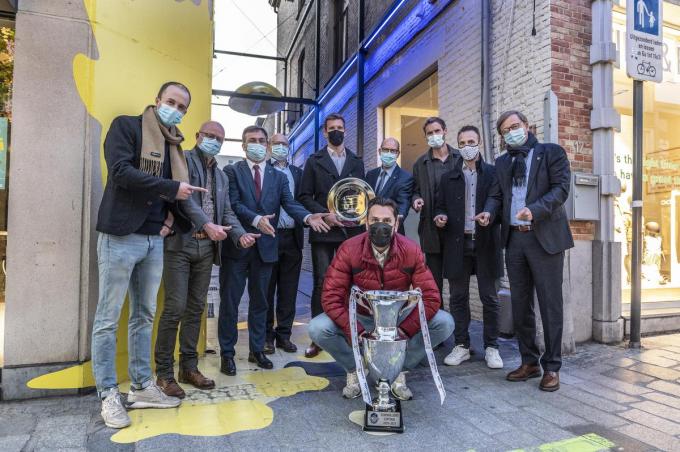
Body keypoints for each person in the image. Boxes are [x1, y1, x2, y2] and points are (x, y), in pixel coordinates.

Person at [92, 82, 209, 428]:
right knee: (108, 319)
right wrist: (173, 189)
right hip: (119, 235)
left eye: (182, 106)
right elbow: (121, 173)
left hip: (152, 241)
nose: (175, 108)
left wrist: (169, 221)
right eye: (170, 101)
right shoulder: (126, 127)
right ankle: (108, 392)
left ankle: (142, 386)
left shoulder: (176, 145)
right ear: (157, 100)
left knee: (144, 314)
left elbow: (170, 198)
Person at [308, 197, 454, 400]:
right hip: (361, 316)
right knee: (317, 328)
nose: (380, 226)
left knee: (444, 322)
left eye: (386, 221)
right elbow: (331, 296)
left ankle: (398, 371)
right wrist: (356, 331)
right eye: (375, 220)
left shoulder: (411, 250)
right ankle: (356, 367)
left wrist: (405, 330)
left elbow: (430, 297)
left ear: (396, 224)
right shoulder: (349, 249)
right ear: (366, 222)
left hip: (398, 317)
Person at [154, 120, 259, 398]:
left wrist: (239, 235)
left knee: (196, 309)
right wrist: (206, 225)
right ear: (198, 136)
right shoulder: (183, 160)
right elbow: (183, 201)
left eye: (219, 138)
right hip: (180, 244)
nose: (213, 140)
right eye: (209, 135)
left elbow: (226, 214)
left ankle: (189, 367)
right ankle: (163, 373)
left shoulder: (222, 176)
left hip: (206, 250)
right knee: (174, 307)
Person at [219, 126, 330, 375]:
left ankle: (257, 350)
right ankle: (227, 353)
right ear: (244, 145)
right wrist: (257, 219)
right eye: (252, 141)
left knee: (261, 302)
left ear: (267, 146)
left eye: (261, 140)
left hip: (266, 248)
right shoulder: (232, 171)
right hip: (238, 246)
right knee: (231, 302)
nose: (257, 144)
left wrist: (309, 217)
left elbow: (289, 203)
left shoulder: (278, 177)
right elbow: (233, 203)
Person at [477, 110, 574, 392]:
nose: (511, 133)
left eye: (515, 127)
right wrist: (487, 212)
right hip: (515, 240)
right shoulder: (503, 162)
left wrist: (534, 210)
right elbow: (497, 195)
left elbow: (560, 190)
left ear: (527, 126)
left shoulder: (551, 153)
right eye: (505, 131)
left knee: (550, 304)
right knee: (521, 305)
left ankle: (552, 366)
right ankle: (529, 361)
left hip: (545, 238)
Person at [433, 125, 503, 369]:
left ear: (480, 142)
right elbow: (439, 206)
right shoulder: (448, 177)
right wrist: (440, 217)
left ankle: (492, 347)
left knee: (489, 297)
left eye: (470, 142)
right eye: (461, 143)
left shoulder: (494, 174)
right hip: (457, 243)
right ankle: (461, 345)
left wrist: (490, 214)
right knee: (458, 297)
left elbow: (499, 202)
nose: (466, 147)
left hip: (486, 243)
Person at [298, 113, 366, 358]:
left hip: (351, 233)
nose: (336, 131)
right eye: (332, 128)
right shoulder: (314, 161)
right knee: (322, 283)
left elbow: (362, 196)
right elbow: (304, 196)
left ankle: (351, 333)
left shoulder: (357, 161)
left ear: (345, 131)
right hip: (325, 232)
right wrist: (325, 214)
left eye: (340, 127)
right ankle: (318, 338)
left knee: (352, 283)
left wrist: (357, 215)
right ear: (324, 133)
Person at [411, 117, 460, 298]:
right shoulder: (420, 164)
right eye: (429, 133)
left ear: (445, 131)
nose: (434, 136)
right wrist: (415, 200)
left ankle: (457, 323)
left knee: (457, 281)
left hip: (456, 229)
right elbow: (414, 191)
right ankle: (437, 319)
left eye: (437, 131)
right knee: (433, 281)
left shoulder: (460, 158)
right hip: (430, 229)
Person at [265, 133, 304, 354]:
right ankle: (267, 337)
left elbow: (300, 200)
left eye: (284, 144)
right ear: (270, 146)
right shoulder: (265, 171)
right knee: (267, 289)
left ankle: (284, 336)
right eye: (276, 143)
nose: (280, 147)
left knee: (289, 291)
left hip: (293, 238)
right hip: (270, 236)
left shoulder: (297, 173)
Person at [365, 137, 413, 235]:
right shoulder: (371, 174)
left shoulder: (405, 177)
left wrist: (397, 219)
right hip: (369, 231)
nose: (389, 153)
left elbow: (403, 203)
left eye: (393, 151)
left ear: (398, 154)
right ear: (379, 151)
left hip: (391, 232)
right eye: (385, 150)